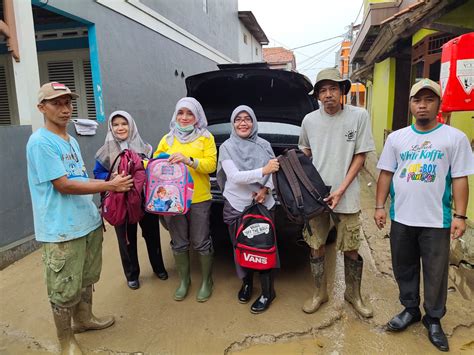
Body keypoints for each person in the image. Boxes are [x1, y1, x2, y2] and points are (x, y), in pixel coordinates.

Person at [26, 82, 134, 354]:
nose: (64, 109)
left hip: (85, 224)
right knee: (63, 288)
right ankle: (67, 342)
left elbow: (79, 178)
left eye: (67, 103)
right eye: (56, 103)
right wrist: (110, 186)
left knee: (86, 279)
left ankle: (84, 320)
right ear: (42, 108)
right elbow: (63, 185)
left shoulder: (70, 139)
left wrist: (95, 212)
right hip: (61, 230)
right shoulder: (40, 142)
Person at [374, 79, 474, 352]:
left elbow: (460, 178)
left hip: (436, 221)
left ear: (438, 105)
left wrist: (460, 216)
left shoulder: (454, 138)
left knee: (435, 273)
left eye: (429, 100)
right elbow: (386, 173)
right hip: (402, 218)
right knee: (403, 267)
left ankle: (433, 318)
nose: (422, 105)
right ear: (410, 105)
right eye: (418, 100)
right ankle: (410, 309)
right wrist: (380, 206)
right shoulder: (397, 138)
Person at [298, 68, 375, 318]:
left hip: (348, 194)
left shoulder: (359, 116)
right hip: (317, 198)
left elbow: (360, 155)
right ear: (318, 95)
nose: (328, 94)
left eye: (333, 88)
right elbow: (305, 154)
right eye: (323, 90)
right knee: (316, 245)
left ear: (342, 90)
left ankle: (353, 294)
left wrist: (340, 190)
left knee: (351, 247)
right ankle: (320, 293)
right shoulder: (309, 121)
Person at [94, 110, 168, 290]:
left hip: (144, 200)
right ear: (111, 128)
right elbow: (98, 174)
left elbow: (154, 170)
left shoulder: (146, 148)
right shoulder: (104, 152)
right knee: (126, 239)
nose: (120, 128)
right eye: (116, 124)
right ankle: (132, 274)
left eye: (124, 123)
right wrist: (113, 177)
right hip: (121, 203)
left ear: (131, 125)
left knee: (152, 235)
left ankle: (158, 267)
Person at [217, 105, 280, 313]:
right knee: (241, 247)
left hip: (262, 205)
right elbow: (234, 177)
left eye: (247, 119)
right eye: (238, 119)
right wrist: (263, 170)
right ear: (233, 123)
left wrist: (265, 189)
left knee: (263, 247)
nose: (243, 123)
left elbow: (274, 173)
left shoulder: (264, 145)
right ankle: (246, 283)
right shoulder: (226, 147)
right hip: (237, 205)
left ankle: (267, 291)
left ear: (253, 122)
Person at [153, 97, 217, 302]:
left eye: (189, 113)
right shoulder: (167, 139)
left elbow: (211, 165)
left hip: (199, 198)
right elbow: (156, 165)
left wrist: (189, 160)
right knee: (179, 242)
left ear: (197, 116)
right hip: (173, 200)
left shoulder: (206, 138)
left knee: (200, 241)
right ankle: (184, 281)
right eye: (181, 113)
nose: (184, 117)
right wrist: (159, 161)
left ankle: (207, 281)